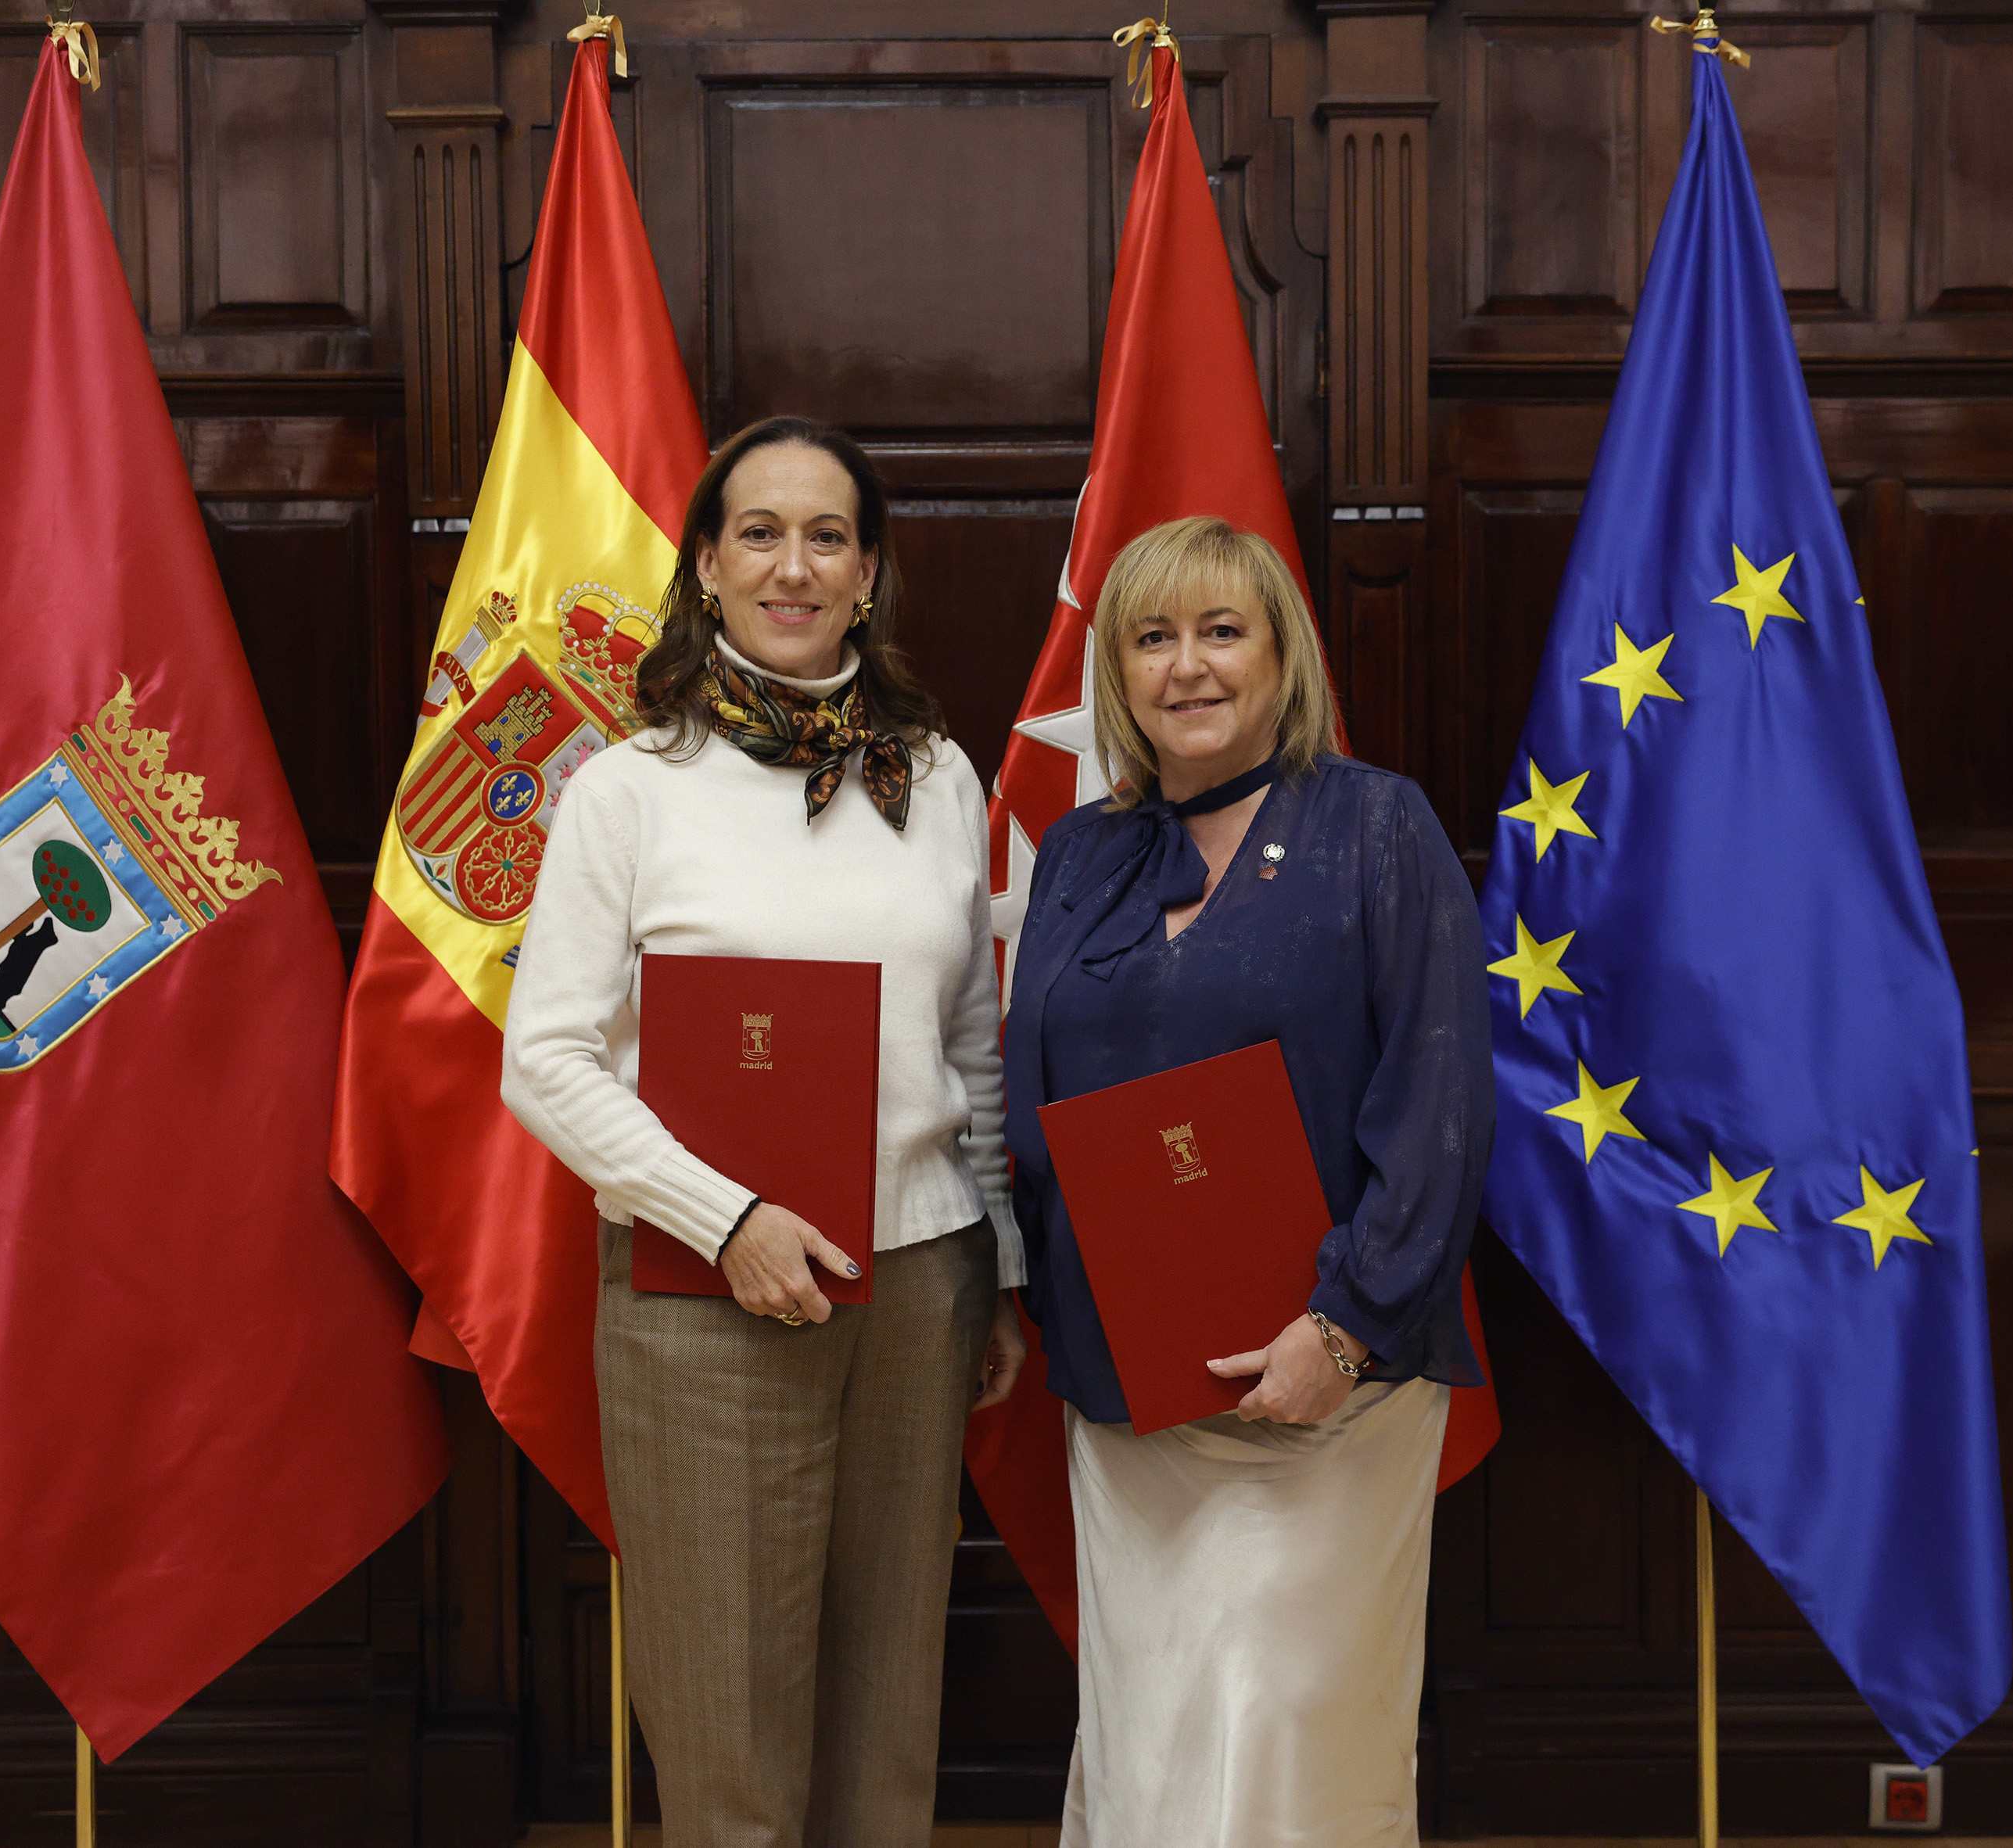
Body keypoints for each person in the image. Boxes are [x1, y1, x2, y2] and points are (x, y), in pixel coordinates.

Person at [500, 414, 1028, 1848]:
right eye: (760, 534)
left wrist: (999, 1270)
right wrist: (722, 1217)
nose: (794, 567)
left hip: (917, 1288)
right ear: (707, 567)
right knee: (727, 1727)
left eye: (827, 537)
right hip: (704, 1293)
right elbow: (544, 1062)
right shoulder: (627, 789)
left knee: (886, 1711)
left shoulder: (939, 776)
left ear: (869, 574)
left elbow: (971, 1048)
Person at [1003, 514, 1493, 1846]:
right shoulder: (1080, 853)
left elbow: (1440, 1102)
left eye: (1222, 631)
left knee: (1288, 1739)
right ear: (1117, 671)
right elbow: (1032, 1100)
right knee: (1153, 1734)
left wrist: (1344, 1328)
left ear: (1283, 656)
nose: (1188, 666)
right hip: (1131, 1401)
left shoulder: (1377, 825)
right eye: (1152, 638)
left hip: (1331, 1388)